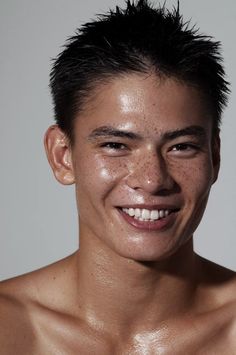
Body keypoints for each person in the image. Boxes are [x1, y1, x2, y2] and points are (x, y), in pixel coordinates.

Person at [0, 0, 235, 353]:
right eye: (115, 145)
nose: (153, 180)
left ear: (214, 157)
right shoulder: (10, 328)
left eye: (182, 146)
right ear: (63, 156)